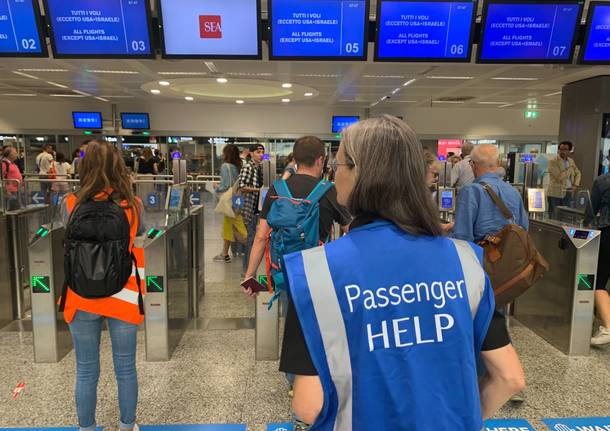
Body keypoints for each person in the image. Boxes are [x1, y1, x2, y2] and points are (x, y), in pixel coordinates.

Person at [247, 116, 524, 430]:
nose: (333, 175)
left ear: (359, 172)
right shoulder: (466, 262)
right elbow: (509, 377)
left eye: (337, 166)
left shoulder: (315, 272)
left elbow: (309, 406)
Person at [60, 140, 145, 431]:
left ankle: (86, 428)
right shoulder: (133, 204)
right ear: (118, 166)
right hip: (123, 292)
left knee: (85, 369)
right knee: (125, 368)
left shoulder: (69, 203)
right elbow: (139, 235)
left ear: (83, 166)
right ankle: (126, 425)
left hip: (80, 294)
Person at [452, 144, 529, 243]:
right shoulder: (513, 191)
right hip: (510, 255)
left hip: (480, 255)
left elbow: (462, 236)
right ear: (498, 163)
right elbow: (524, 229)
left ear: (472, 165)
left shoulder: (470, 191)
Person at [214, 144, 247, 263]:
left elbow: (226, 185)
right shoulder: (239, 165)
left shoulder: (225, 166)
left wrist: (216, 187)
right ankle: (225, 254)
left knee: (238, 224)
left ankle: (253, 247)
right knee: (229, 225)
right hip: (238, 197)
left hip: (229, 199)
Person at [588, 172, 610, 345]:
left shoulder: (603, 180)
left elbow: (590, 209)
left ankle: (608, 328)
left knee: (598, 282)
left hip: (608, 234)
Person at [238, 144, 265, 273]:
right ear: (251, 154)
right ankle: (246, 271)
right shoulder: (248, 167)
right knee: (250, 240)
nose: (260, 155)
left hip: (257, 208)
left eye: (262, 152)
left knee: (253, 239)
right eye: (258, 152)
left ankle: (249, 270)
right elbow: (242, 187)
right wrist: (258, 190)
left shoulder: (260, 167)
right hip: (250, 208)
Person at [547, 141, 582, 216]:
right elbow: (560, 177)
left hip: (568, 191)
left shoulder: (571, 161)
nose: (562, 151)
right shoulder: (553, 161)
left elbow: (578, 173)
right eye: (561, 149)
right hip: (555, 193)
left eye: (565, 149)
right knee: (554, 215)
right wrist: (570, 169)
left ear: (569, 151)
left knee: (566, 215)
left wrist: (575, 185)